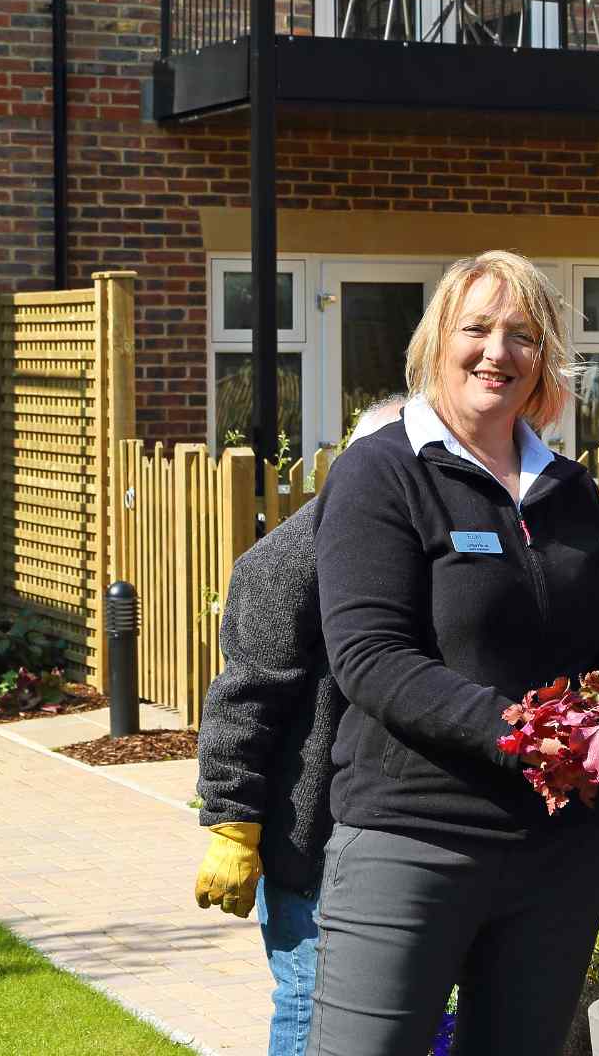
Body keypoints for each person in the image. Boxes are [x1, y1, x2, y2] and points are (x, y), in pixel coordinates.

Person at [306, 250, 599, 1056]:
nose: (497, 352)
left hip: (559, 855)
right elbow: (371, 658)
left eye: (522, 335)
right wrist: (529, 734)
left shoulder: (567, 488)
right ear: (438, 340)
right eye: (476, 329)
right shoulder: (382, 474)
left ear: (544, 358)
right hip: (414, 840)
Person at [192, 395, 406, 1056]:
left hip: (386, 829)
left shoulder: (414, 552)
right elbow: (243, 698)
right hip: (303, 837)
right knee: (309, 999)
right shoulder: (287, 560)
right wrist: (232, 823)